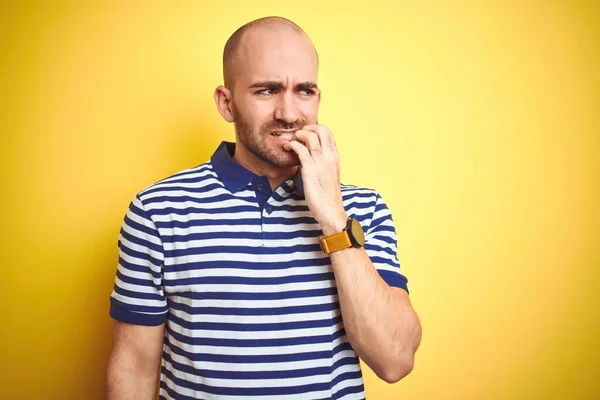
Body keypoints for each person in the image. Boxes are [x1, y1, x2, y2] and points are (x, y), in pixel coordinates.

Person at [106, 16, 422, 400]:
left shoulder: (362, 209)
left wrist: (333, 217)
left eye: (304, 90)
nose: (289, 113)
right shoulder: (157, 211)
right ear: (226, 102)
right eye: (267, 90)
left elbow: (395, 360)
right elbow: (135, 369)